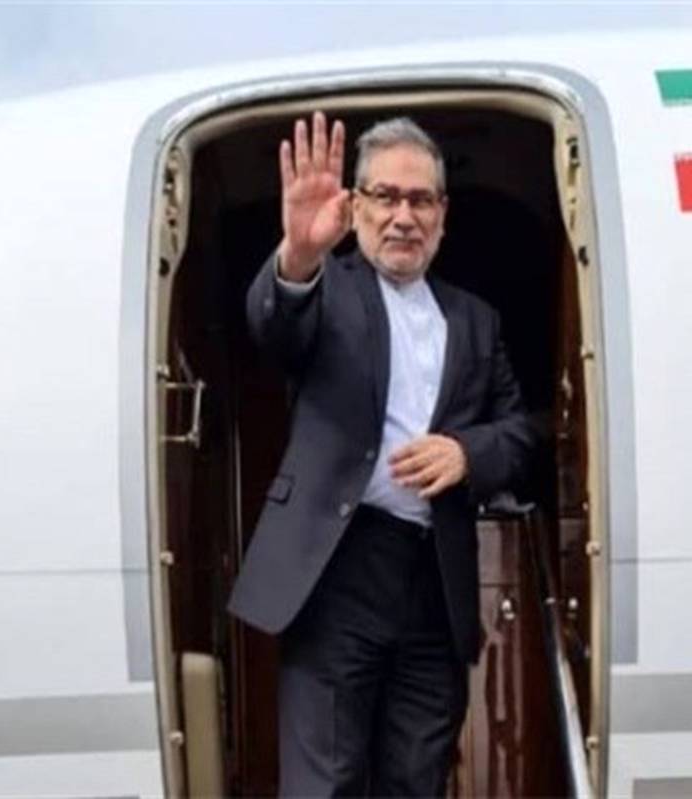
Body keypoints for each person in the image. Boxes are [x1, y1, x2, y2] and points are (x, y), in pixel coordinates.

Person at [228, 110, 535, 797]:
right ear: (356, 205)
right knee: (327, 781)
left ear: (442, 214)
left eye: (420, 199)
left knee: (417, 778)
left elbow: (519, 433)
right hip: (337, 568)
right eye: (385, 197)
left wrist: (467, 451)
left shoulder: (476, 320)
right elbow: (273, 327)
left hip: (435, 579)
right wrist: (298, 256)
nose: (403, 217)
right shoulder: (327, 288)